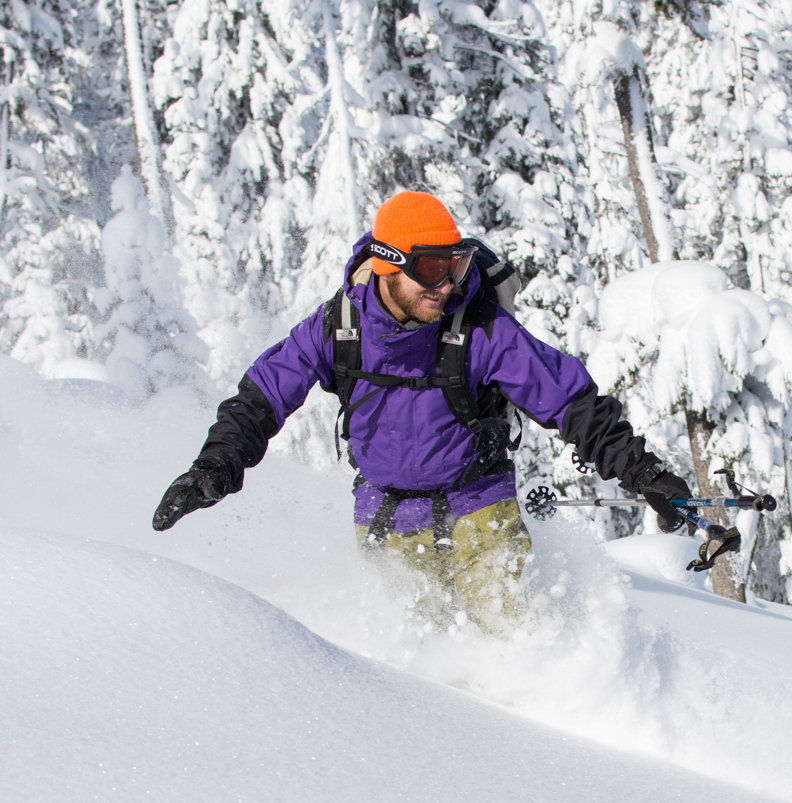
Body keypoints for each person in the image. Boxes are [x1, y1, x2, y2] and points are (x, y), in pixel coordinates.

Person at [152, 191, 691, 632]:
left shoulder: (477, 328)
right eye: (432, 269)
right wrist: (216, 464)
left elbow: (570, 401)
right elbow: (264, 395)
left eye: (454, 265)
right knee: (410, 652)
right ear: (387, 264)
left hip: (478, 504)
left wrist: (644, 474)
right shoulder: (339, 328)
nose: (447, 285)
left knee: (506, 629)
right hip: (385, 517)